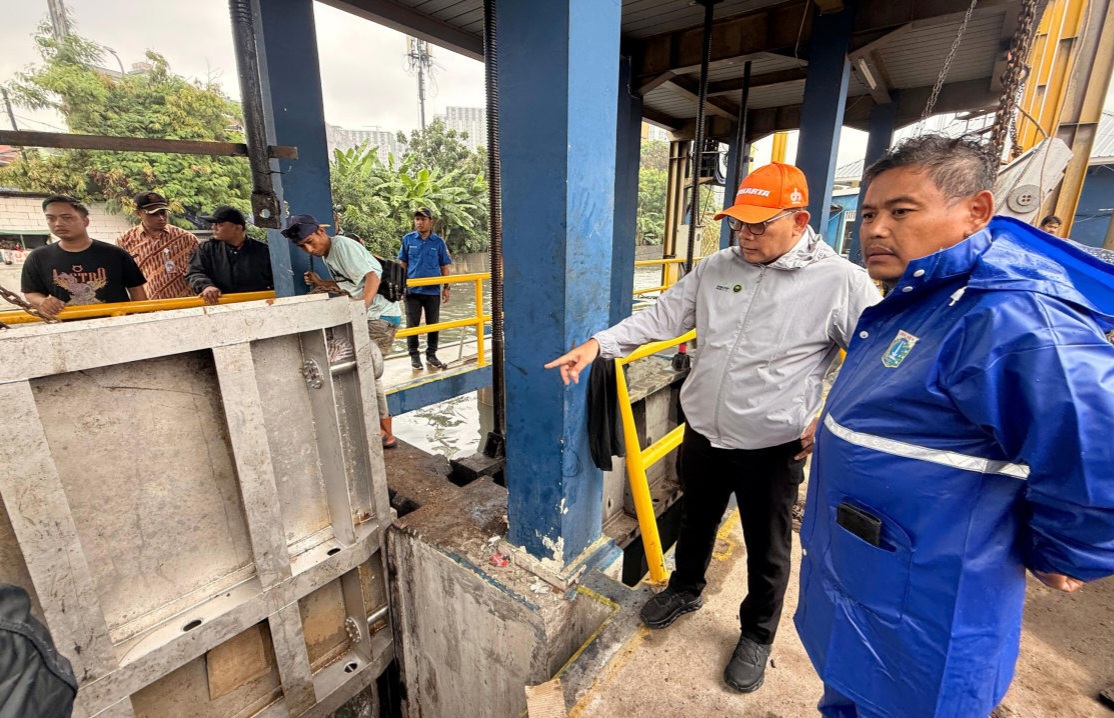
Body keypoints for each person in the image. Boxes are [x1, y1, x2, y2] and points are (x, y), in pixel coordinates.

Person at [795, 134, 1114, 718]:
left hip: (929, 605)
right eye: (868, 214)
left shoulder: (1010, 316)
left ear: (977, 211)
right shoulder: (920, 302)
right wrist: (835, 425)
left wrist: (1066, 552)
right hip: (865, 576)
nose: (876, 229)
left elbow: (1099, 447)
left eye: (901, 211)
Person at [545, 163, 880, 693]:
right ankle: (685, 588)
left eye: (759, 225)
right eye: (738, 223)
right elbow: (661, 318)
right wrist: (597, 345)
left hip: (772, 445)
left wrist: (831, 416)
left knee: (767, 547)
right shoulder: (717, 267)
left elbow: (877, 358)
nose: (744, 235)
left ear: (799, 220)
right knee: (696, 519)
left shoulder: (840, 282)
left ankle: (757, 634)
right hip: (703, 431)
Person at [283, 214, 403, 448]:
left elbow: (372, 276)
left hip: (380, 317)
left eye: (310, 242)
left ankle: (384, 432)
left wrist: (361, 307)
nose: (309, 250)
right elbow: (350, 282)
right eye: (302, 247)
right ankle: (380, 428)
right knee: (364, 369)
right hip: (371, 316)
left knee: (366, 371)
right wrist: (321, 282)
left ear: (320, 231)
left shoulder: (342, 246)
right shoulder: (328, 254)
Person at [21, 195, 147, 318]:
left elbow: (137, 291)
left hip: (118, 324)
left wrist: (141, 320)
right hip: (66, 327)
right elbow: (31, 292)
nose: (58, 223)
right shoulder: (38, 257)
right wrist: (43, 302)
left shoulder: (116, 254)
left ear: (85, 221)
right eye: (51, 218)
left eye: (66, 218)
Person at [398, 207, 452, 370]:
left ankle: (431, 354)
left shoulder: (438, 242)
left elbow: (444, 265)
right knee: (412, 325)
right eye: (417, 219)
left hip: (432, 291)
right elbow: (402, 263)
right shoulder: (408, 239)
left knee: (433, 324)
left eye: (423, 219)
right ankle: (414, 356)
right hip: (412, 290)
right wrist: (401, 285)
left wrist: (446, 287)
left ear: (430, 222)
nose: (419, 222)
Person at [118, 191, 198, 300]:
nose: (161, 218)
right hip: (148, 305)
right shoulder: (125, 240)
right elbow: (123, 277)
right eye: (153, 214)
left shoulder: (186, 238)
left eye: (163, 212)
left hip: (184, 302)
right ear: (138, 213)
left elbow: (202, 271)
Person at [186, 206, 274, 304]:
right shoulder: (206, 249)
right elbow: (194, 272)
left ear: (238, 228)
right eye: (213, 224)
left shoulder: (264, 251)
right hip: (219, 306)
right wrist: (206, 286)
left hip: (258, 305)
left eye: (219, 224)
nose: (213, 227)